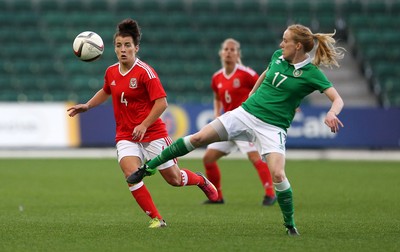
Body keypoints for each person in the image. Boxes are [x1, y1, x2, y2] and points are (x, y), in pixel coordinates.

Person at [127, 24, 345, 235]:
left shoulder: (311, 73)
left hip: (272, 127)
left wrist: (332, 113)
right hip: (245, 114)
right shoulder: (278, 57)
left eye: (285, 40)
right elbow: (265, 74)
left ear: (298, 46)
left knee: (278, 173)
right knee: (198, 138)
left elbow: (337, 99)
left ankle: (290, 225)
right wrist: (253, 94)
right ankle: (148, 167)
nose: (281, 43)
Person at [67, 18, 218, 228]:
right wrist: (87, 105)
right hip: (126, 134)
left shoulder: (145, 72)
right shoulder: (111, 71)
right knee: (131, 175)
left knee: (174, 179)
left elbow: (162, 103)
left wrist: (145, 124)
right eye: (118, 45)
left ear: (136, 48)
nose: (122, 49)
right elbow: (106, 90)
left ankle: (200, 180)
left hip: (153, 133)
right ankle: (157, 218)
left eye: (127, 45)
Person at [203, 38, 276, 205]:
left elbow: (264, 87)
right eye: (226, 49)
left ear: (238, 54)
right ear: (221, 53)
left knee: (255, 157)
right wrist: (216, 112)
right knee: (208, 158)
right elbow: (217, 97)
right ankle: (217, 196)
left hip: (245, 123)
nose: (228, 52)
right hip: (227, 124)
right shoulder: (217, 77)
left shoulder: (247, 74)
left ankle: (270, 194)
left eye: (232, 50)